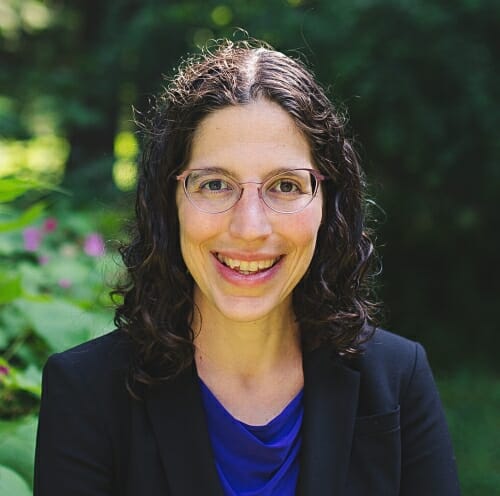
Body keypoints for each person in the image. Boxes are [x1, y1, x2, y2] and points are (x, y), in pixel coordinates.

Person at [34, 40, 460, 496]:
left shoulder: (399, 378)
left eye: (285, 185)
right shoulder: (86, 392)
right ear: (167, 202)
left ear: (328, 204)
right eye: (215, 184)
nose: (250, 227)